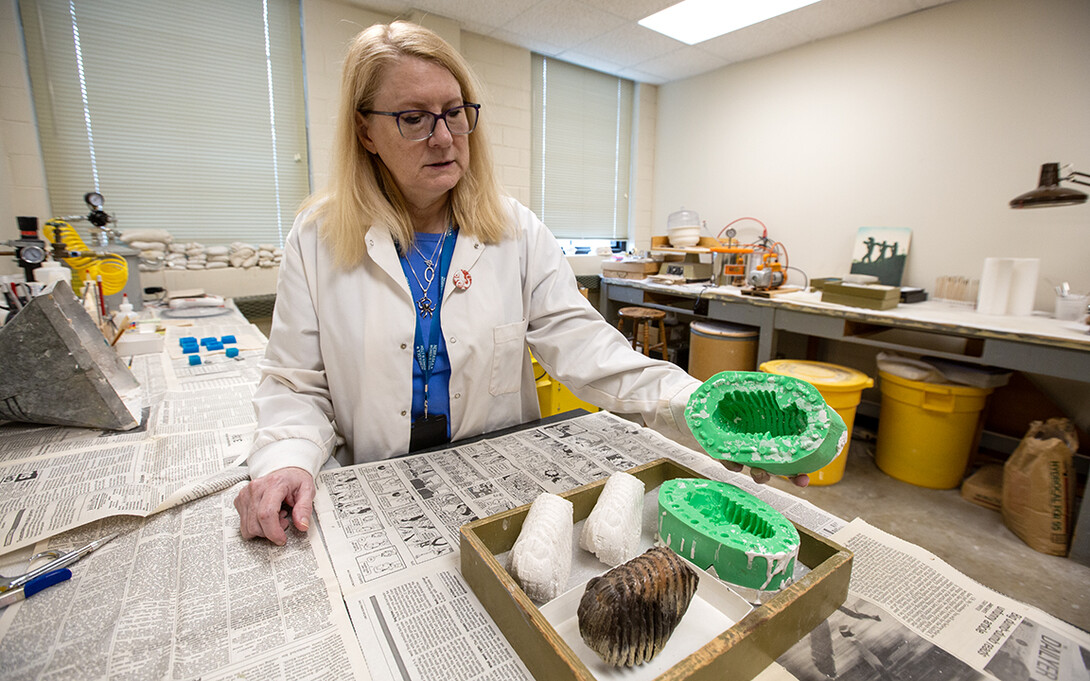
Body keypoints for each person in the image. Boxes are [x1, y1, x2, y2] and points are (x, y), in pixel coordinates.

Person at [234, 21, 806, 545]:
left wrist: (696, 408)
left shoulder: (515, 230)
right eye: (414, 118)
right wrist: (287, 459)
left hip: (496, 484)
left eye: (454, 112)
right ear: (365, 131)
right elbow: (294, 382)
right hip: (377, 487)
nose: (444, 137)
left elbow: (588, 348)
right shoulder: (318, 237)